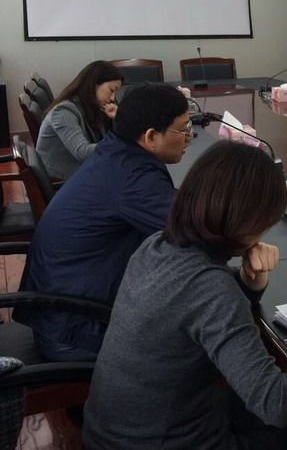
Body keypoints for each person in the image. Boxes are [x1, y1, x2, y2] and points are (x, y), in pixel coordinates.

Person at [82, 141, 287, 450]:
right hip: (161, 441)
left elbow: (203, 311)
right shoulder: (211, 289)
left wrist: (249, 277)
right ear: (246, 223)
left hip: (113, 431)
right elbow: (275, 402)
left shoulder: (157, 246)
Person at [16, 83, 192, 360]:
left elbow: (172, 208)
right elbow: (196, 233)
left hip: (60, 312)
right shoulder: (135, 177)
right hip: (76, 332)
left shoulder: (116, 151)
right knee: (196, 345)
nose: (189, 137)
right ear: (150, 136)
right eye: (183, 130)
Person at [36, 60, 124, 179]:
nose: (113, 98)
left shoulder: (92, 106)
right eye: (112, 90)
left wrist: (118, 118)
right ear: (94, 84)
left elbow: (106, 137)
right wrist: (122, 145)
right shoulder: (63, 111)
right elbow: (82, 153)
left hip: (84, 169)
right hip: (63, 178)